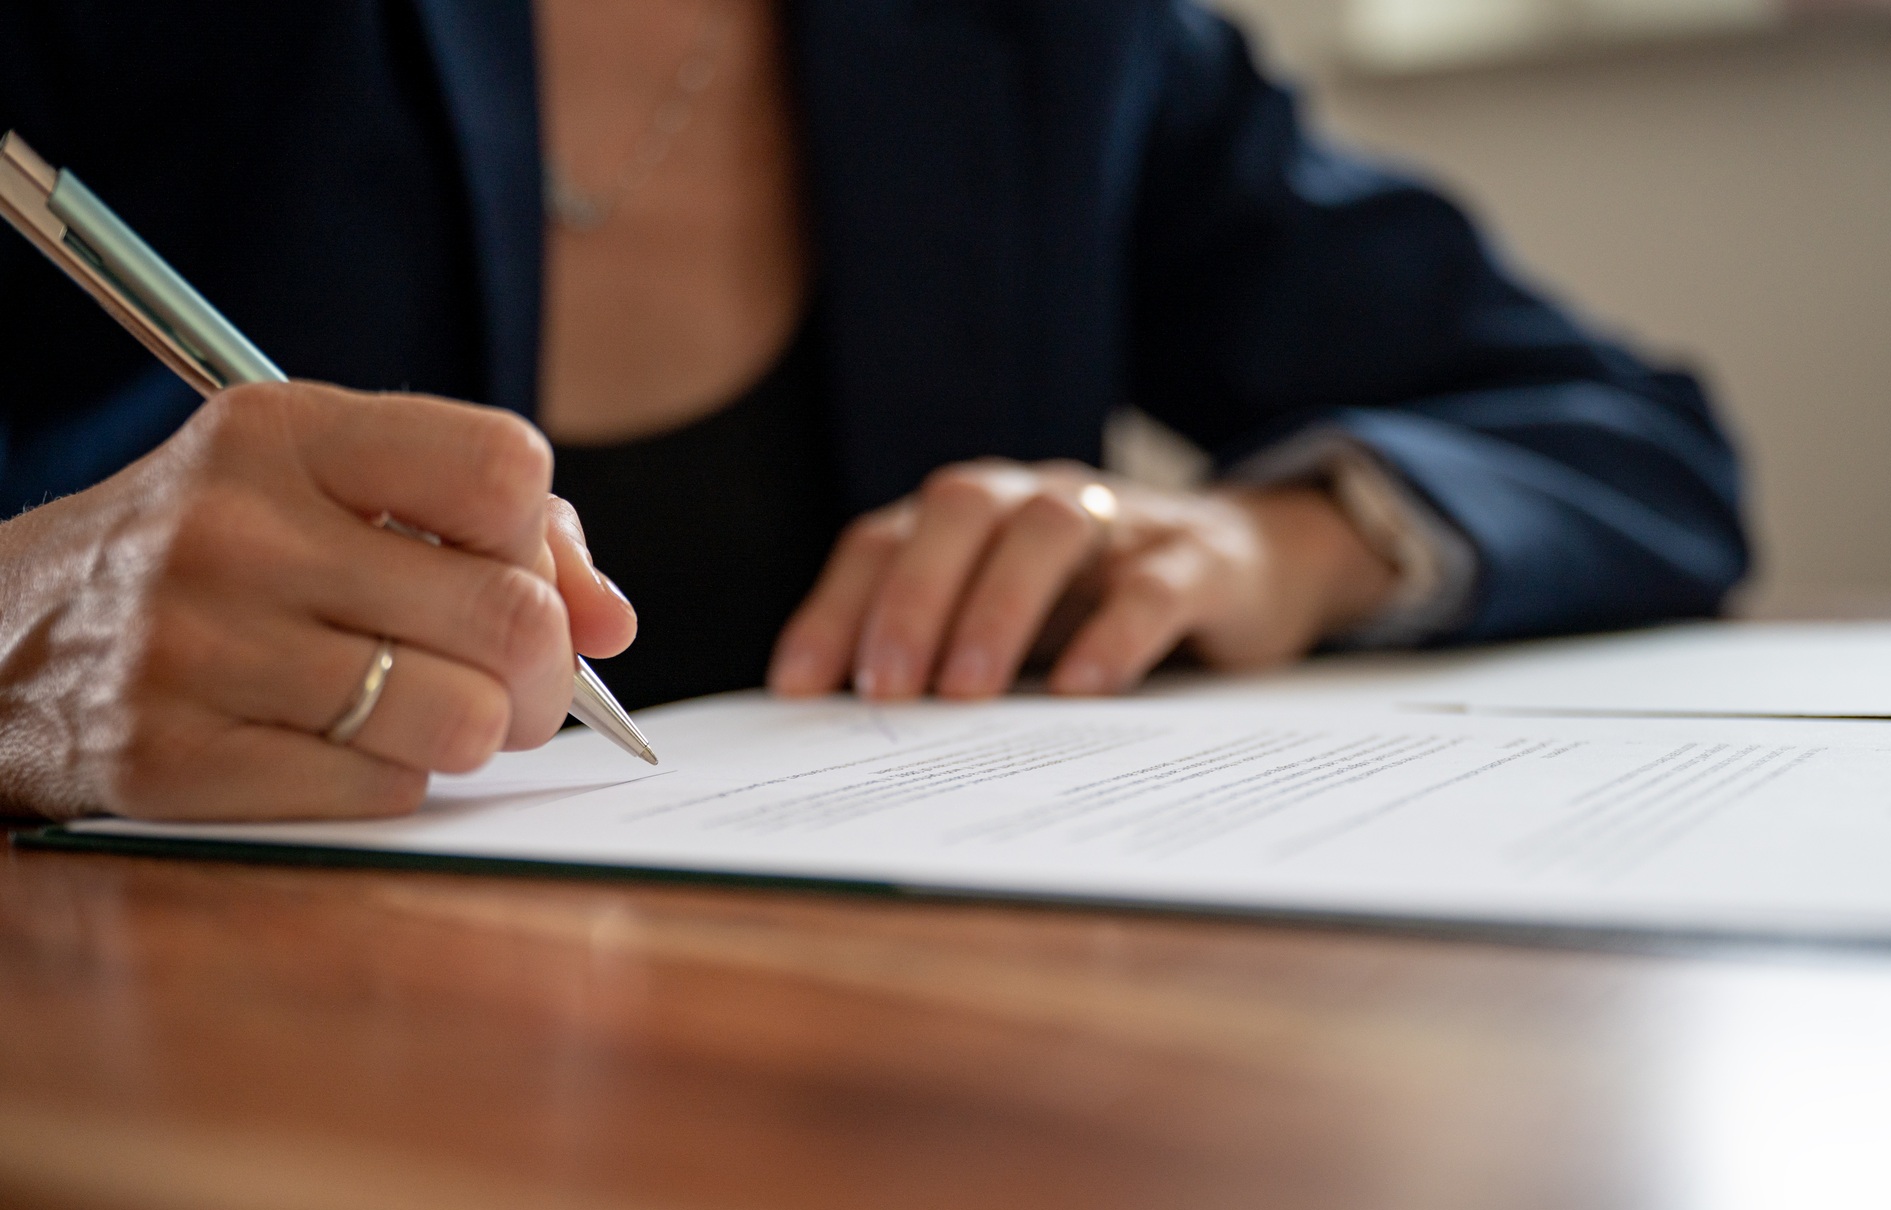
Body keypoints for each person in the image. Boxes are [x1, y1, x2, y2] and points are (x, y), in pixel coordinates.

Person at [0, 1, 1748, 822]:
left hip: (904, 1117)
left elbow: (1631, 439)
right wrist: (26, 646)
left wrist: (1265, 548)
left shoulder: (1058, 40)